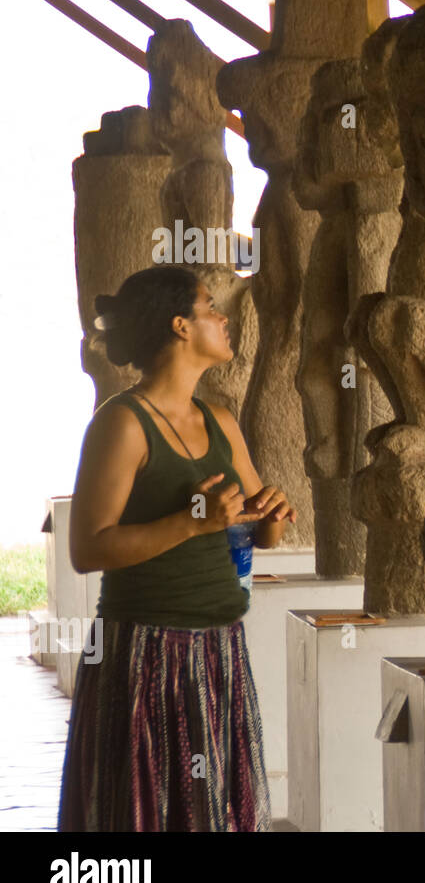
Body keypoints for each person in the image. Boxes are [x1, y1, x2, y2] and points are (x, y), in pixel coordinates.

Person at [58, 265, 297, 831]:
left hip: (220, 652)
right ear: (180, 326)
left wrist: (272, 518)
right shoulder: (122, 422)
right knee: (143, 815)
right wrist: (192, 522)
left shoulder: (220, 421)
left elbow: (249, 531)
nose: (224, 317)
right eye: (210, 306)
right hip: (145, 653)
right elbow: (89, 548)